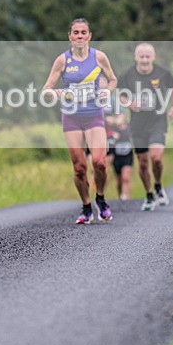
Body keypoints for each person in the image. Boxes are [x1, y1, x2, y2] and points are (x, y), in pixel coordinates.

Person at [42, 19, 118, 224]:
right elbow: (46, 90)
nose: (80, 36)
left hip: (94, 115)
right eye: (76, 33)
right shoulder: (62, 61)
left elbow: (113, 80)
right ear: (69, 36)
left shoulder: (99, 57)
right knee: (79, 167)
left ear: (89, 36)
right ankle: (86, 207)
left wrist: (106, 92)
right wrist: (57, 93)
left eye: (83, 33)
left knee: (100, 163)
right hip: (72, 118)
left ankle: (100, 199)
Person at [117, 43, 173, 211]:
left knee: (156, 158)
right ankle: (149, 194)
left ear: (153, 57)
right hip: (137, 125)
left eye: (147, 56)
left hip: (158, 121)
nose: (144, 60)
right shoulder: (127, 75)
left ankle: (158, 185)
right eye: (141, 57)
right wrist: (130, 103)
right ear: (136, 58)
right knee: (143, 163)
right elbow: (120, 95)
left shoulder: (162, 73)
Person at [109, 111, 134, 201]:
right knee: (119, 181)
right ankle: (120, 196)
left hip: (127, 155)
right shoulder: (113, 129)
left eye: (121, 115)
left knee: (126, 177)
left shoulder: (129, 127)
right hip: (117, 156)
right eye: (118, 115)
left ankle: (128, 197)